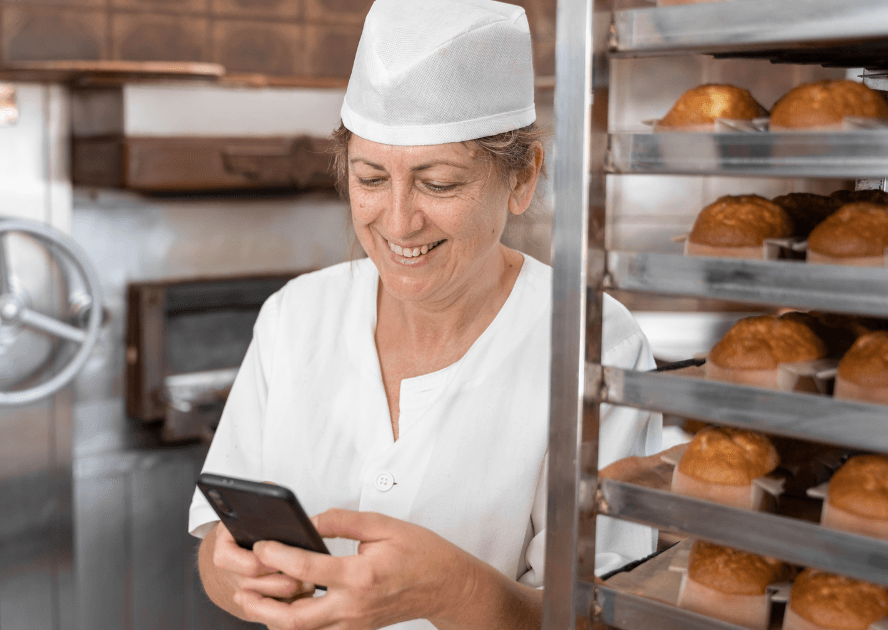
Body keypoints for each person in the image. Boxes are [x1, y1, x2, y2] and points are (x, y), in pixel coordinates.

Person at [188, 1, 661, 628]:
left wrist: (457, 592)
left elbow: (606, 619)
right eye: (371, 178)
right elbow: (216, 550)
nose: (399, 220)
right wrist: (236, 572)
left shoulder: (593, 342)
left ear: (522, 178)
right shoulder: (295, 315)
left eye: (439, 183)